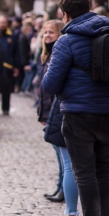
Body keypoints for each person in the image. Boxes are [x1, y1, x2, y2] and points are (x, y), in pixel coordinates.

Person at [42, 0, 109, 216]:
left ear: (64, 15)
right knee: (104, 173)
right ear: (88, 9)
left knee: (84, 173)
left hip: (78, 114)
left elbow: (50, 84)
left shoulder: (67, 41)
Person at [37, 19, 66, 203]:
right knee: (58, 154)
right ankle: (59, 186)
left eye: (51, 33)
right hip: (49, 112)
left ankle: (63, 188)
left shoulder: (58, 54)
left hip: (57, 112)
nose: (47, 36)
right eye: (45, 32)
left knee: (63, 156)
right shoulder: (47, 54)